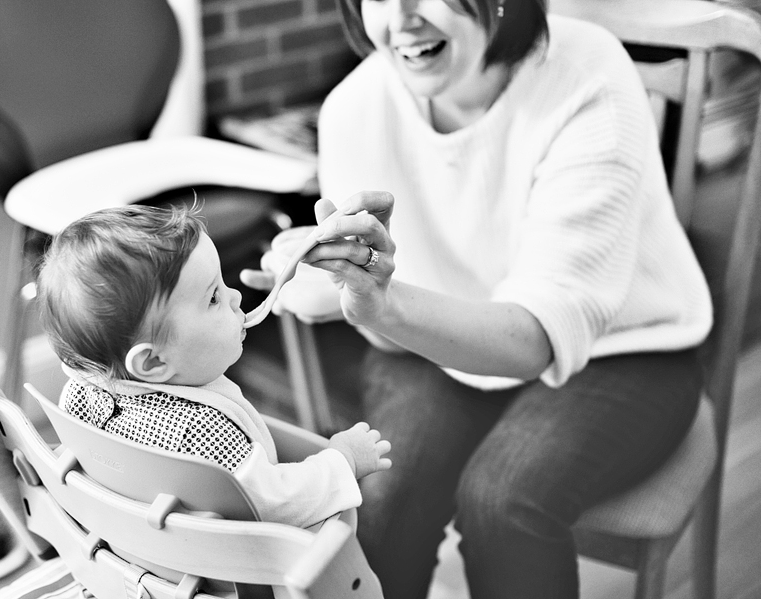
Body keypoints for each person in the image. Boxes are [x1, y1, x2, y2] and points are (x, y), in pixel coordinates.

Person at [241, 0, 713, 597]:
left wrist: (379, 303)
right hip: (432, 346)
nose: (403, 17)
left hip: (627, 350)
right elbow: (388, 324)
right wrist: (341, 289)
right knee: (379, 498)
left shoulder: (587, 74)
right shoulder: (354, 110)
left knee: (502, 501)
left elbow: (534, 338)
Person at [36, 204, 392, 529]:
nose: (235, 296)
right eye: (213, 297)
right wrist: (343, 459)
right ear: (153, 362)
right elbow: (272, 503)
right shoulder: (202, 435)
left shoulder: (81, 397)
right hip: (239, 577)